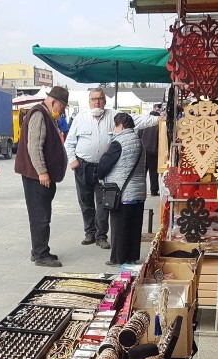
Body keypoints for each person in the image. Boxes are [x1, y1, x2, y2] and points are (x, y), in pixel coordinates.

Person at [65, 87, 161, 249]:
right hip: (83, 166)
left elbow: (135, 120)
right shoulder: (80, 118)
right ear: (89, 102)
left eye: (100, 98)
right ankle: (90, 232)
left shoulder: (113, 116)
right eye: (94, 99)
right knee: (85, 201)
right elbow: (69, 142)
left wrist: (157, 120)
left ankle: (101, 235)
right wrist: (72, 159)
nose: (97, 102)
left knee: (104, 202)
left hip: (105, 168)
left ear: (105, 100)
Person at [14, 86, 69, 268]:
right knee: (40, 216)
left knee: (42, 214)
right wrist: (42, 172)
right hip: (36, 177)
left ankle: (39, 249)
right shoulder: (39, 114)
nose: (62, 112)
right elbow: (34, 146)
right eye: (62, 108)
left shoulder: (46, 113)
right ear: (54, 102)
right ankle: (40, 254)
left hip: (39, 176)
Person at [96, 113, 146, 267]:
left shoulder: (119, 142)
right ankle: (131, 256)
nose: (114, 129)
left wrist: (99, 173)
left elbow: (104, 164)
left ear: (121, 125)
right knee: (134, 226)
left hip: (123, 192)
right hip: (138, 191)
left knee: (119, 227)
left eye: (115, 126)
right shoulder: (139, 141)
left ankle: (118, 258)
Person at [138, 108, 160, 196]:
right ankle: (154, 191)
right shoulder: (158, 126)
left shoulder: (144, 125)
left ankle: (141, 190)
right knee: (153, 172)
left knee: (142, 173)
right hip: (154, 152)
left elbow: (138, 136)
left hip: (143, 151)